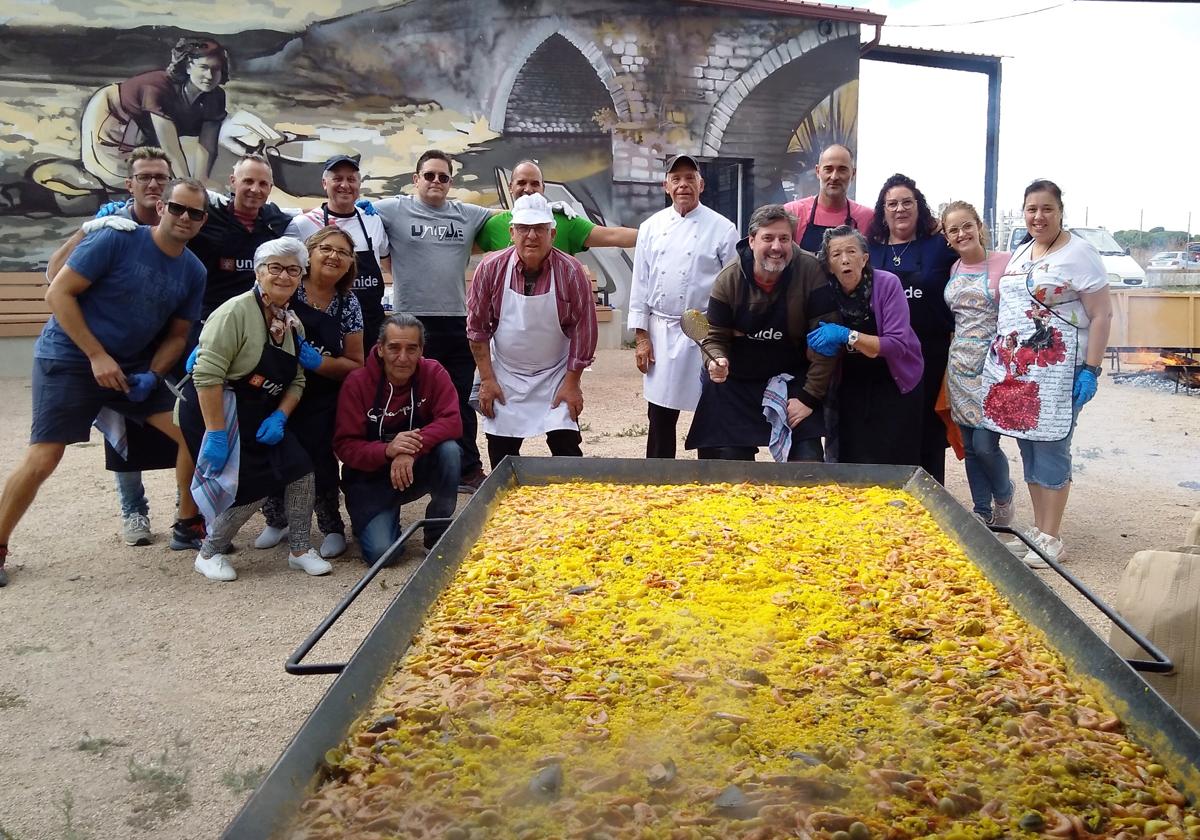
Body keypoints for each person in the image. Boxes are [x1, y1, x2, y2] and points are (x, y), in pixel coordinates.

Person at [0, 178, 209, 587]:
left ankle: (188, 523)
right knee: (45, 456)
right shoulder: (117, 240)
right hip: (70, 357)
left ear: (203, 221)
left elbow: (177, 335)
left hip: (129, 367)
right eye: (178, 208)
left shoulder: (193, 270)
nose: (185, 218)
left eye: (195, 213)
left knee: (192, 431)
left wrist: (152, 374)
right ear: (162, 207)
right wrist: (96, 355)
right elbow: (58, 295)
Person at [43, 146, 184, 547]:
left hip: (164, 341)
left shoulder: (179, 218)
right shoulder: (113, 226)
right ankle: (133, 509)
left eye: (161, 176)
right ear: (130, 183)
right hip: (115, 347)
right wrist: (87, 229)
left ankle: (185, 508)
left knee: (181, 425)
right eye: (145, 177)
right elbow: (54, 278)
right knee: (120, 429)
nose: (154, 184)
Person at [177, 237, 329, 582]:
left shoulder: (292, 324)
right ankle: (209, 553)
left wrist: (281, 416)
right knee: (251, 484)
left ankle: (301, 549)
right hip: (215, 408)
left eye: (293, 269)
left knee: (300, 470)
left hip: (261, 412)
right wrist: (216, 433)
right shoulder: (234, 312)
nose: (284, 276)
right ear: (259, 271)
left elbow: (297, 381)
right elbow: (207, 375)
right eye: (275, 267)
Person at [979, 180, 1112, 567]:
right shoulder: (1022, 252)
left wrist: (1091, 369)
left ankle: (1052, 537)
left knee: (1053, 447)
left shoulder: (1079, 253)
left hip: (1059, 368)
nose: (1039, 217)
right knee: (1028, 445)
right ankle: (1038, 532)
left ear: (1060, 212)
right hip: (1020, 370)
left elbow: (1102, 314)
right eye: (1032, 209)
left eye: (1047, 209)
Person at [372, 150, 495, 492]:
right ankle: (411, 469)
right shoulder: (393, 210)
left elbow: (512, 217)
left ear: (450, 183)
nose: (436, 182)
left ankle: (466, 469)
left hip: (456, 321)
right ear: (416, 179)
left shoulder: (466, 214)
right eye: (429, 176)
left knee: (457, 400)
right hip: (410, 323)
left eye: (443, 177)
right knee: (407, 399)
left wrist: (556, 209)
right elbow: (349, 211)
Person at [686, 204, 837, 461]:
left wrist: (809, 397)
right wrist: (716, 360)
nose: (776, 247)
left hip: (792, 379)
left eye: (784, 239)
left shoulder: (810, 271)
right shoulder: (728, 279)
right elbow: (715, 337)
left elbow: (825, 344)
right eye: (768, 238)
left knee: (808, 462)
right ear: (752, 240)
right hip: (738, 381)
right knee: (725, 464)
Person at [254, 227, 365, 558]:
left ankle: (331, 525)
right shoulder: (287, 288)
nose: (334, 256)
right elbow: (248, 323)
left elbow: (356, 363)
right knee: (273, 452)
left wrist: (319, 362)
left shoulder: (348, 303)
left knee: (320, 458)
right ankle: (278, 519)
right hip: (274, 386)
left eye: (343, 253)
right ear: (309, 254)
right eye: (326, 249)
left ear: (350, 264)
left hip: (322, 394)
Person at [467, 194, 597, 466]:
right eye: (524, 229)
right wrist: (488, 380)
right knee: (502, 457)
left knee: (567, 452)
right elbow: (477, 330)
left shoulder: (571, 272)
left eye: (539, 229)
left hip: (555, 375)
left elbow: (584, 332)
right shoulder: (489, 269)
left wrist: (572, 384)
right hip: (506, 374)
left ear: (553, 233)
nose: (532, 236)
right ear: (512, 232)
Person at [628, 153, 738, 458]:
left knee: (710, 409)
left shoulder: (723, 228)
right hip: (661, 331)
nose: (683, 185)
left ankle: (709, 475)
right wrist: (641, 337)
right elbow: (640, 283)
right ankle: (658, 474)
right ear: (666, 186)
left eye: (690, 178)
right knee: (660, 415)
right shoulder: (650, 227)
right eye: (676, 179)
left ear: (701, 185)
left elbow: (733, 287)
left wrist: (727, 338)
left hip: (706, 332)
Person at [334, 313, 463, 565]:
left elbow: (452, 421)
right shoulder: (357, 383)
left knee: (450, 451)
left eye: (411, 349)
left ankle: (437, 531)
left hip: (413, 470)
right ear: (380, 348)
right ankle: (369, 523)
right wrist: (387, 451)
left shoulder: (434, 372)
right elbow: (345, 446)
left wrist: (410, 449)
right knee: (383, 555)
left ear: (421, 350)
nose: (403, 357)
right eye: (394, 348)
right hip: (370, 478)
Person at [866, 173, 958, 483]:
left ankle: (932, 499)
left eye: (907, 202)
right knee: (886, 431)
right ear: (883, 210)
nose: (900, 209)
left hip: (930, 356)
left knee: (928, 435)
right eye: (892, 204)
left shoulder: (940, 247)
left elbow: (976, 262)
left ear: (919, 207)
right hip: (881, 357)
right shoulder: (870, 251)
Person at [807, 225, 924, 467]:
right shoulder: (824, 291)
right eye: (836, 254)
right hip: (850, 383)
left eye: (851, 251)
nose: (845, 260)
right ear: (828, 264)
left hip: (894, 381)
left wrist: (847, 335)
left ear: (865, 258)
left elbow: (896, 344)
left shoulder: (887, 284)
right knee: (852, 459)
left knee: (896, 459)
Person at [941, 200, 1015, 527]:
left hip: (993, 365)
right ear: (947, 237)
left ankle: (1004, 495)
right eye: (953, 229)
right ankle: (982, 510)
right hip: (958, 364)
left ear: (979, 227)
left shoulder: (1007, 263)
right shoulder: (953, 269)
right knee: (969, 446)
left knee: (986, 444)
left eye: (966, 226)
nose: (962, 233)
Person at [80, 38, 229, 190]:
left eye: (216, 69)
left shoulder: (215, 97)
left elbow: (207, 146)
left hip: (144, 129)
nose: (210, 76)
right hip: (114, 115)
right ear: (188, 67)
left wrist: (201, 180)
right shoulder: (158, 86)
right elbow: (170, 148)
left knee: (160, 178)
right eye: (203, 67)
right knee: (122, 178)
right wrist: (187, 187)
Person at [285, 155, 390, 349]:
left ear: (359, 184)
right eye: (337, 179)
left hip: (371, 323)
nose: (345, 185)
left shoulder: (372, 220)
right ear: (324, 183)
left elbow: (385, 260)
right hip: (321, 323)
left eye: (351, 179)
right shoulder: (303, 224)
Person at [475, 160, 638, 254]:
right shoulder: (494, 225)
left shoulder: (563, 221)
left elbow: (612, 235)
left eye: (535, 184)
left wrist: (659, 233)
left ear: (543, 188)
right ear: (510, 187)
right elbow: (459, 248)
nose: (528, 189)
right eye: (522, 183)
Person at [782, 144, 875, 254]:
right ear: (818, 171)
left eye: (842, 170)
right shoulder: (793, 212)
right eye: (828, 169)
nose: (834, 177)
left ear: (853, 174)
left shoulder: (867, 217)